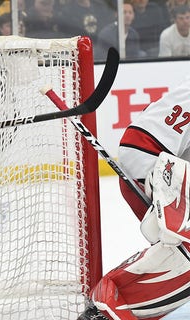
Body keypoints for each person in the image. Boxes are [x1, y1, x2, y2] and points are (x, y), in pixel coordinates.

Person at [78, 76, 190, 320]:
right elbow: (139, 142)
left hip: (156, 162)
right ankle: (108, 307)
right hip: (150, 161)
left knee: (178, 252)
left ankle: (119, 304)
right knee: (182, 250)